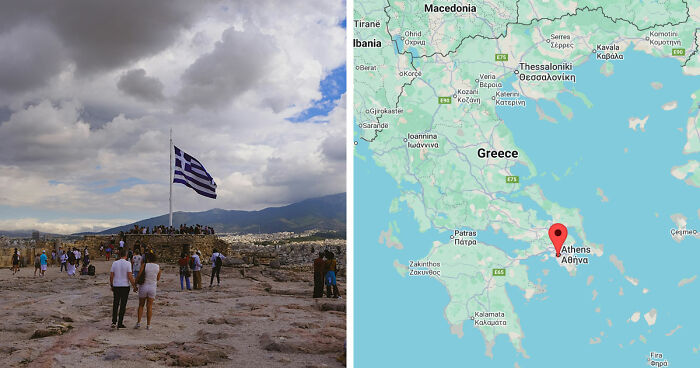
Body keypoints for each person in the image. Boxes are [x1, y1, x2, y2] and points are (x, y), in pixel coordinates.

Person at [110, 248, 138, 329]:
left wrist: (111, 285)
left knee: (115, 304)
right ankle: (120, 323)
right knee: (123, 305)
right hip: (125, 286)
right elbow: (129, 276)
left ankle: (114, 322)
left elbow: (111, 275)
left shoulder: (115, 263)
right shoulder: (128, 264)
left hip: (116, 285)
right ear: (126, 255)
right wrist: (134, 286)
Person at [135, 252, 161, 329]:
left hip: (143, 286)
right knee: (149, 306)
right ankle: (148, 325)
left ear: (148, 259)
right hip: (152, 287)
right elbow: (158, 278)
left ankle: (139, 323)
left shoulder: (144, 265)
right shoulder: (158, 267)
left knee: (141, 305)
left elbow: (139, 275)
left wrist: (135, 284)